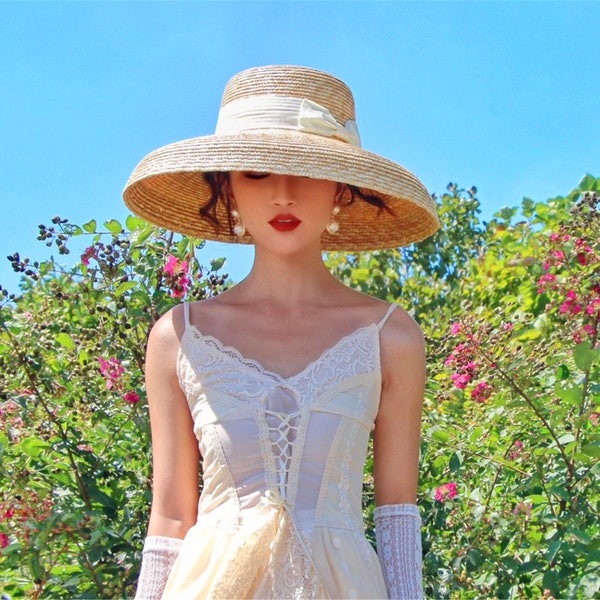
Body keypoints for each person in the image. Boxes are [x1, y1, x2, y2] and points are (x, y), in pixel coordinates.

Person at [123, 65, 439, 600]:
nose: (284, 194)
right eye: (257, 174)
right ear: (227, 187)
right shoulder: (180, 335)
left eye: (308, 172)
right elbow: (173, 515)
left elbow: (397, 515)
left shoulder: (391, 336)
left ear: (341, 189)